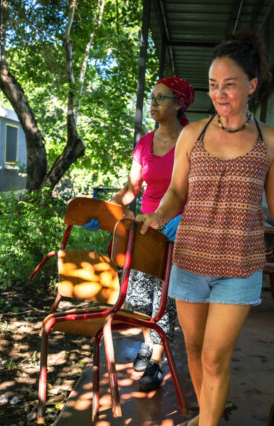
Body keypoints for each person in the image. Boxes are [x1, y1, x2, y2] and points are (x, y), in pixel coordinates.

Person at [136, 31, 274, 426]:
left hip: (239, 266)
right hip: (190, 258)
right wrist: (158, 215)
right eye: (213, 84)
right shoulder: (191, 134)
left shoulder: (271, 140)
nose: (220, 94)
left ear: (253, 85)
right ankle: (207, 417)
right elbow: (178, 191)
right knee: (195, 353)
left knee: (217, 358)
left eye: (230, 84)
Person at [83, 76, 195, 392]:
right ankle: (147, 343)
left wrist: (184, 217)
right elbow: (132, 189)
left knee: (164, 301)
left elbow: (199, 191)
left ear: (179, 104)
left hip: (177, 235)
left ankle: (156, 362)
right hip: (145, 231)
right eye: (153, 97)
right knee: (140, 299)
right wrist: (104, 210)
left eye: (162, 98)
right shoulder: (145, 143)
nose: (154, 103)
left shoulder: (192, 141)